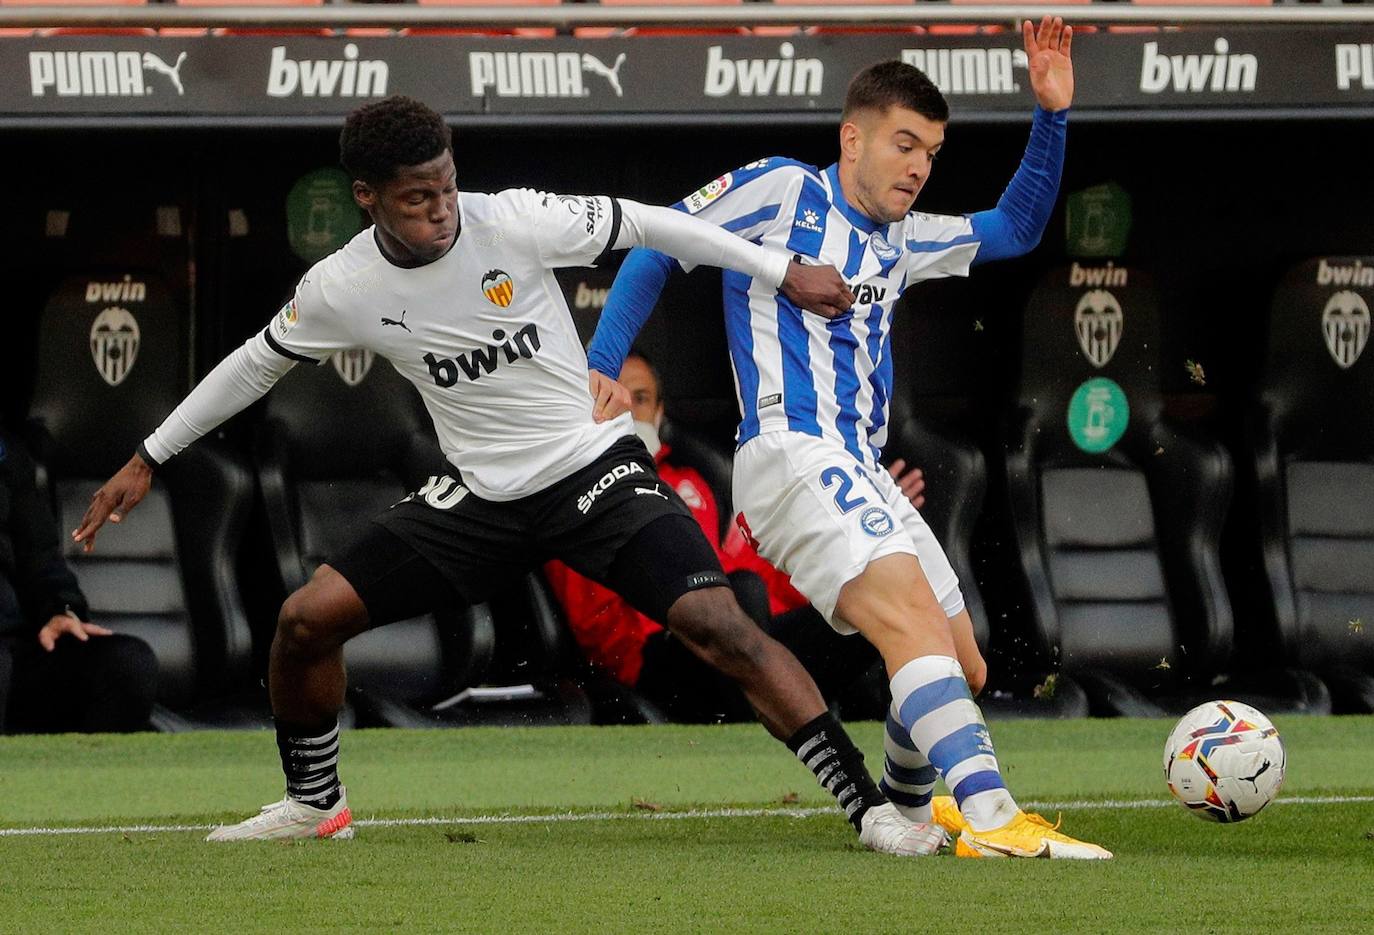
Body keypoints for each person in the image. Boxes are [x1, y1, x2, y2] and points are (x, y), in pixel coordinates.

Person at [73, 96, 945, 856]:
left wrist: (777, 267)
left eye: (448, 186)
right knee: (305, 620)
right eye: (418, 200)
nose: (443, 211)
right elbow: (252, 365)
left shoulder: (513, 218)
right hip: (479, 497)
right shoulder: (343, 284)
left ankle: (870, 808)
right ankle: (315, 803)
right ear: (368, 199)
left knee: (721, 625)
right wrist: (148, 456)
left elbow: (651, 223)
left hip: (590, 468)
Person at [588, 19, 1112, 859]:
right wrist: (603, 361)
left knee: (962, 664)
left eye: (931, 153)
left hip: (855, 462)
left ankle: (905, 813)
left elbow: (1012, 229)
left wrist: (1051, 114)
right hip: (790, 451)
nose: (917, 166)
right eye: (904, 144)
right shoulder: (783, 190)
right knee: (908, 621)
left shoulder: (905, 241)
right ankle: (989, 810)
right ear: (853, 136)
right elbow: (658, 242)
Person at [545, 350, 927, 723]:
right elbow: (595, 623)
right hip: (658, 651)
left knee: (867, 611)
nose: (628, 411)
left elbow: (753, 574)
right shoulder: (578, 492)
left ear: (660, 413)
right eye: (612, 396)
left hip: (732, 633)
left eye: (640, 399)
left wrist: (858, 526)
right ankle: (767, 718)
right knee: (738, 596)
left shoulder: (691, 483)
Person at [0, 425, 157, 733]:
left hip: (11, 647)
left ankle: (87, 778)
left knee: (127, 666)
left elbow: (39, 555)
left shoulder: (7, 453)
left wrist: (60, 609)